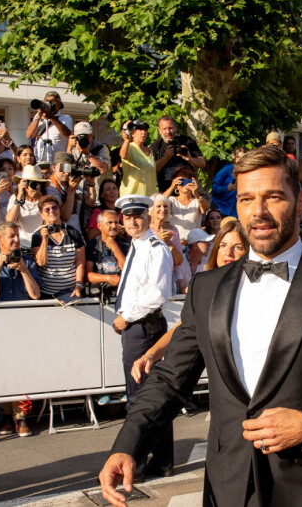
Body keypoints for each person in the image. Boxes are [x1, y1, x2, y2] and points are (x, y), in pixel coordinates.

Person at [99, 145, 302, 507]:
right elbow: (169, 379)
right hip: (228, 484)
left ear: (301, 201)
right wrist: (128, 445)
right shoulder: (206, 289)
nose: (257, 212)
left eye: (273, 196)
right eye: (246, 199)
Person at [130, 220, 250, 388]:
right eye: (223, 245)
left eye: (237, 247)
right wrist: (149, 355)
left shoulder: (256, 288)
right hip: (223, 386)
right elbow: (183, 328)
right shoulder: (206, 288)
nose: (228, 252)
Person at [112, 194, 175, 480]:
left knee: (141, 400)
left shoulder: (154, 248)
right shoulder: (136, 247)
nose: (133, 221)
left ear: (148, 217)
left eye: (138, 215)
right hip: (136, 327)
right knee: (149, 397)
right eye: (127, 217)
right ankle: (160, 461)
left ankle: (135, 465)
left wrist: (127, 315)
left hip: (144, 328)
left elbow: (157, 294)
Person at [0, 221, 40, 437]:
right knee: (3, 370)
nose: (16, 239)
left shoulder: (28, 261)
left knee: (23, 370)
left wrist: (24, 269)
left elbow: (35, 294)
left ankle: (21, 417)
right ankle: (5, 415)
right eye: (11, 237)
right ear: (0, 240)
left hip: (23, 326)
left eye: (16, 235)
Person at [31, 195, 86, 299]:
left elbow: (80, 263)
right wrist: (45, 239)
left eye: (54, 208)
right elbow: (41, 262)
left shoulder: (73, 233)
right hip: (47, 293)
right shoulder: (37, 236)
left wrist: (78, 286)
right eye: (47, 209)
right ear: (41, 215)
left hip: (71, 292)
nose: (51, 211)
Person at [150, 114, 206, 193]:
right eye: (164, 129)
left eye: (170, 128)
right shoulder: (156, 146)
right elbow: (151, 170)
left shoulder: (187, 141)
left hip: (187, 190)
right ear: (159, 130)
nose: (168, 132)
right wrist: (165, 158)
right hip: (167, 191)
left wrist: (189, 158)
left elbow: (202, 164)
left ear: (175, 127)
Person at [86, 210, 130, 302]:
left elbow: (127, 270)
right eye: (109, 223)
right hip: (98, 298)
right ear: (99, 226)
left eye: (116, 222)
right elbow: (88, 275)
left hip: (124, 295)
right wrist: (108, 278)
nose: (114, 226)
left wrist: (115, 247)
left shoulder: (126, 243)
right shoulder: (92, 244)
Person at [6, 165, 49, 250]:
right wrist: (19, 196)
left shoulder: (46, 199)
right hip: (21, 244)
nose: (32, 185)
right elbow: (10, 221)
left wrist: (40, 198)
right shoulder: (15, 198)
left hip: (40, 245)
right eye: (29, 182)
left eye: (36, 182)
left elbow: (51, 217)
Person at [48, 151, 92, 232]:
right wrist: (71, 192)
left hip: (76, 231)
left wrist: (91, 183)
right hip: (61, 232)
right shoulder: (49, 186)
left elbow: (90, 202)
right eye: (63, 168)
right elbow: (65, 216)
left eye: (69, 168)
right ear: (53, 168)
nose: (66, 172)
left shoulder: (70, 182)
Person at [164, 167, 209, 242]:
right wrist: (172, 187)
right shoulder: (172, 200)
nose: (185, 184)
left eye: (188, 181)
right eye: (181, 181)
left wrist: (196, 193)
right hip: (176, 242)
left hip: (194, 242)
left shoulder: (197, 201)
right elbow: (160, 201)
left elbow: (205, 209)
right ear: (176, 184)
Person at [26, 91, 73, 162]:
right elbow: (29, 135)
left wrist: (52, 117)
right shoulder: (39, 117)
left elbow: (66, 133)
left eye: (53, 101)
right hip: (40, 160)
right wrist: (38, 116)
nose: (50, 103)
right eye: (47, 101)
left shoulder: (65, 118)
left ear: (59, 103)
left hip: (57, 161)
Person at [66, 121, 111, 193]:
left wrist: (88, 153)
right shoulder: (72, 148)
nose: (84, 138)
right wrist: (69, 148)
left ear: (91, 134)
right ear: (75, 136)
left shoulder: (101, 148)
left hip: (97, 194)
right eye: (80, 136)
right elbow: (65, 170)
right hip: (78, 194)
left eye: (87, 135)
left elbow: (102, 169)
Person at [119, 120, 156, 197]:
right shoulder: (130, 147)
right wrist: (127, 139)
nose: (143, 132)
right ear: (133, 133)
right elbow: (123, 155)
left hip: (149, 198)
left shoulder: (149, 150)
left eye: (145, 129)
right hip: (132, 196)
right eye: (140, 129)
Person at [0, 158, 17, 251]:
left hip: (16, 236)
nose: (7, 172)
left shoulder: (20, 190)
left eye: (10, 169)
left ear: (14, 171)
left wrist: (11, 191)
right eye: (3, 170)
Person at [210, 147, 246, 218]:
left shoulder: (246, 172)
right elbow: (214, 188)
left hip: (235, 211)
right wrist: (227, 188)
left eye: (243, 157)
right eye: (239, 157)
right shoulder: (228, 169)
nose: (241, 160)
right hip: (220, 208)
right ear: (234, 158)